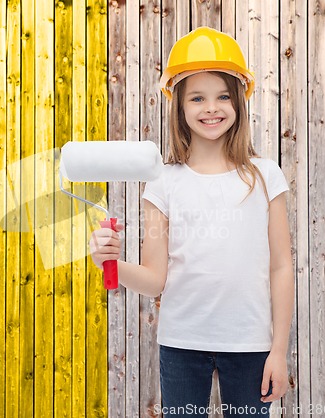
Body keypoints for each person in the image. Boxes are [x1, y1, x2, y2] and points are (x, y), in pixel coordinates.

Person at [90, 26, 294, 417]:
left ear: (239, 103)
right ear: (179, 106)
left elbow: (281, 266)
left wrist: (279, 350)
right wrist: (109, 263)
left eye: (222, 97)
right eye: (197, 98)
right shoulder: (164, 182)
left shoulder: (265, 176)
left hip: (251, 345)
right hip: (182, 344)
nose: (211, 108)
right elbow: (154, 279)